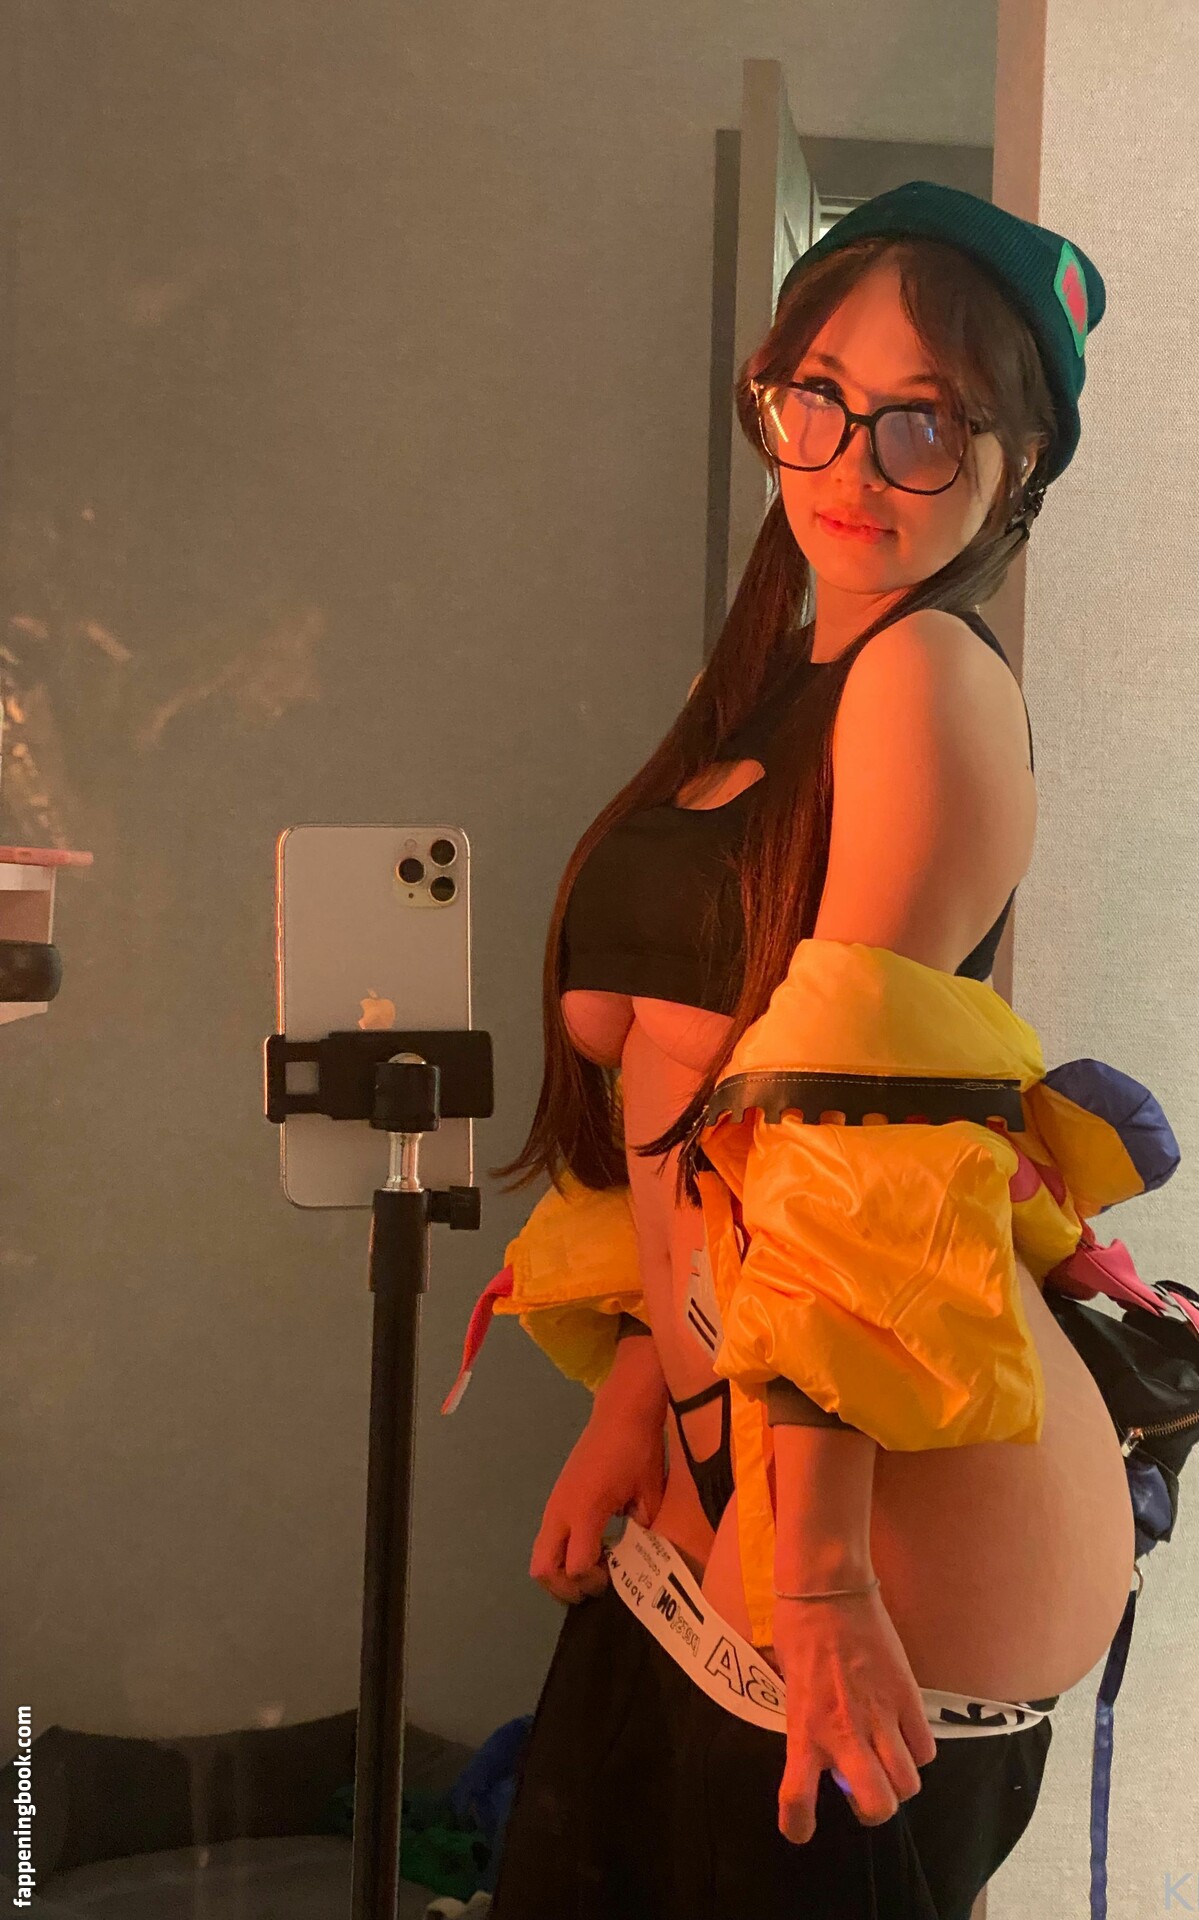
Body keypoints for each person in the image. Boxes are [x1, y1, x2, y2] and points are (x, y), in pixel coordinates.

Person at [462, 182, 1136, 1919]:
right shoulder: (778, 699)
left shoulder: (926, 677)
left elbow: (854, 1133)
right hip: (740, 1477)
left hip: (870, 1518)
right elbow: (691, 1122)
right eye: (815, 397)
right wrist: (641, 1394)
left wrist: (824, 1574)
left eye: (926, 420)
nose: (851, 459)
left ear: (1019, 468)